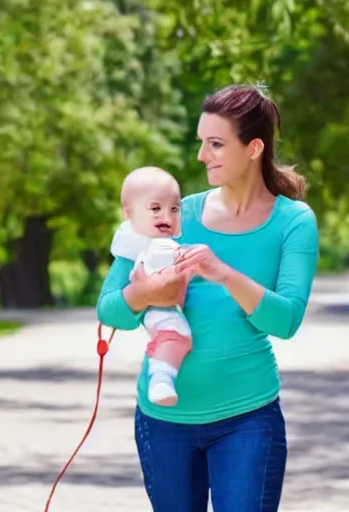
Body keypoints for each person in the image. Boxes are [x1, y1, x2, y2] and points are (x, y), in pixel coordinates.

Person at [96, 84, 319, 512]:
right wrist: (141, 294)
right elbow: (110, 310)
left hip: (248, 419)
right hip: (164, 424)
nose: (202, 155)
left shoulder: (293, 222)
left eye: (215, 144)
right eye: (202, 142)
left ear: (254, 148)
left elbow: (285, 321)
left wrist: (223, 274)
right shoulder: (174, 214)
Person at [110, 166, 193, 406]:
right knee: (174, 335)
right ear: (130, 214)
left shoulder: (166, 243)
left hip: (168, 306)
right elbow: (109, 307)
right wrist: (141, 291)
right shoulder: (135, 244)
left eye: (174, 209)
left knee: (177, 335)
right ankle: (161, 379)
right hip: (158, 310)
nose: (166, 216)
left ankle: (162, 378)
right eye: (155, 208)